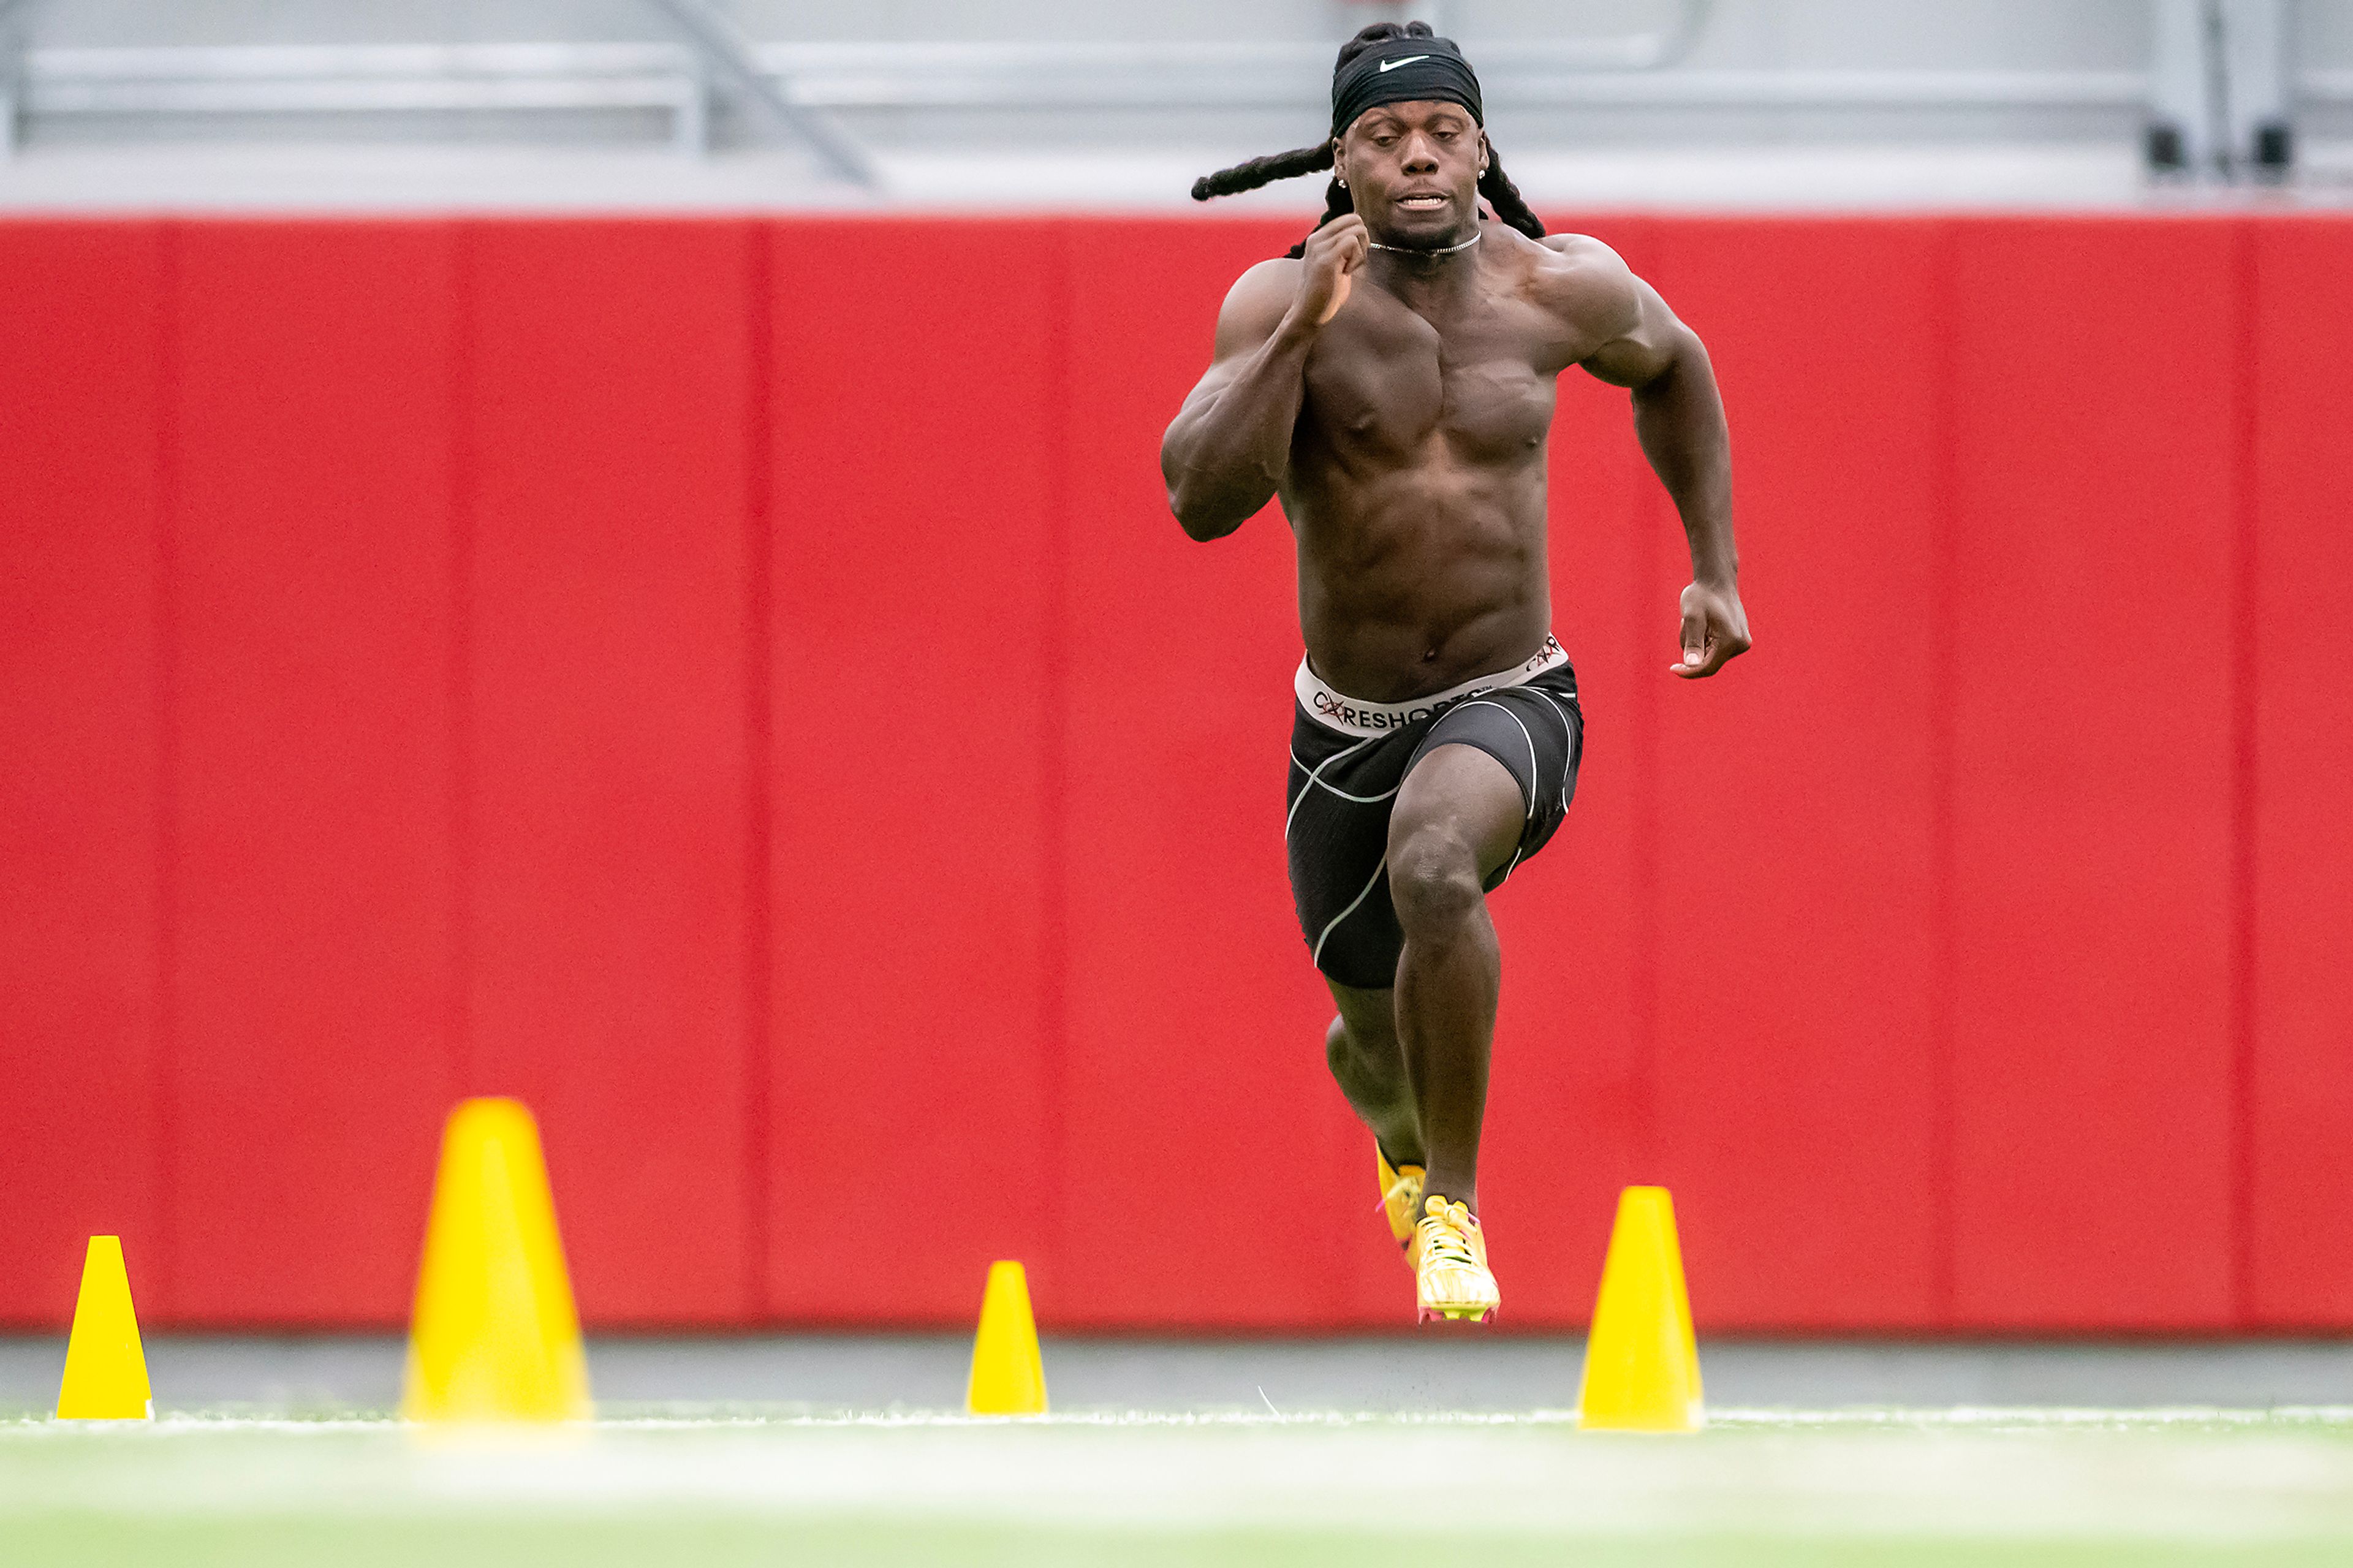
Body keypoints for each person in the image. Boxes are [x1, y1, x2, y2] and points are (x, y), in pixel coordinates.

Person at [1160, 20, 1749, 1323]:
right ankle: (1405, 1137)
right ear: (1343, 163)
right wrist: (1298, 335)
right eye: (1384, 136)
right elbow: (1199, 501)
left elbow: (1677, 362)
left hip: (1510, 692)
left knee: (1436, 864)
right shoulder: (1277, 302)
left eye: (1442, 132)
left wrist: (1714, 563)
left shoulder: (1562, 287)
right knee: (1373, 1051)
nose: (1417, 155)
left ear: (1482, 150)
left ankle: (1455, 1212)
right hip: (1344, 727)